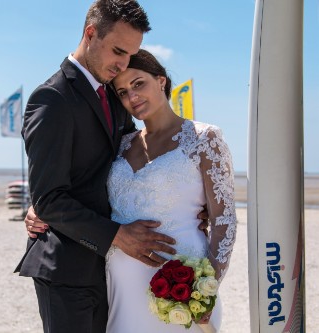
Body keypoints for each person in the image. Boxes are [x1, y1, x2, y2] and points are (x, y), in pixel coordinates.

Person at [16, 1, 207, 332]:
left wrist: (192, 204)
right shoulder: (51, 99)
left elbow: (137, 162)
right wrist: (117, 235)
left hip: (110, 272)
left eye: (130, 56)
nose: (123, 64)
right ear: (90, 34)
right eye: (118, 51)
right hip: (66, 269)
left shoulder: (115, 98)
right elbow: (49, 198)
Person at [102, 49, 237, 332]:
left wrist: (205, 288)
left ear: (160, 80)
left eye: (138, 83)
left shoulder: (204, 138)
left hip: (179, 289)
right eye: (123, 92)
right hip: (119, 287)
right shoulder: (121, 145)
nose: (132, 97)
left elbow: (224, 219)